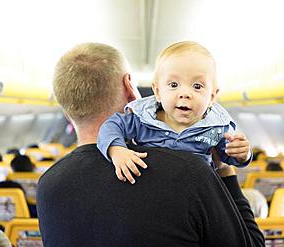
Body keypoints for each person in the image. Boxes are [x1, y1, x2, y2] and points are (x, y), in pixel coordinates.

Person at [37, 42, 264, 246]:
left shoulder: (48, 186)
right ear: (129, 87)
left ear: (66, 110)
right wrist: (225, 170)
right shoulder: (191, 172)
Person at [98, 41, 252, 184]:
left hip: (196, 195)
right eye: (173, 84)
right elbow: (111, 126)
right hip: (149, 191)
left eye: (197, 86)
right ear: (158, 92)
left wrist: (242, 154)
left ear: (212, 96)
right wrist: (117, 150)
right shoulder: (141, 119)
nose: (184, 93)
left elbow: (229, 156)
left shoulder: (218, 127)